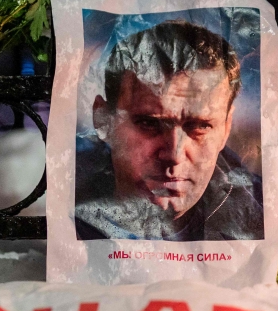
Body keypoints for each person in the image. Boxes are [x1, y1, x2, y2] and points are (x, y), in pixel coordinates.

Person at [75, 20, 264, 241]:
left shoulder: (263, 209)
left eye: (200, 126)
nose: (174, 154)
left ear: (225, 128)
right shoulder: (64, 208)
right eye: (149, 124)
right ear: (103, 120)